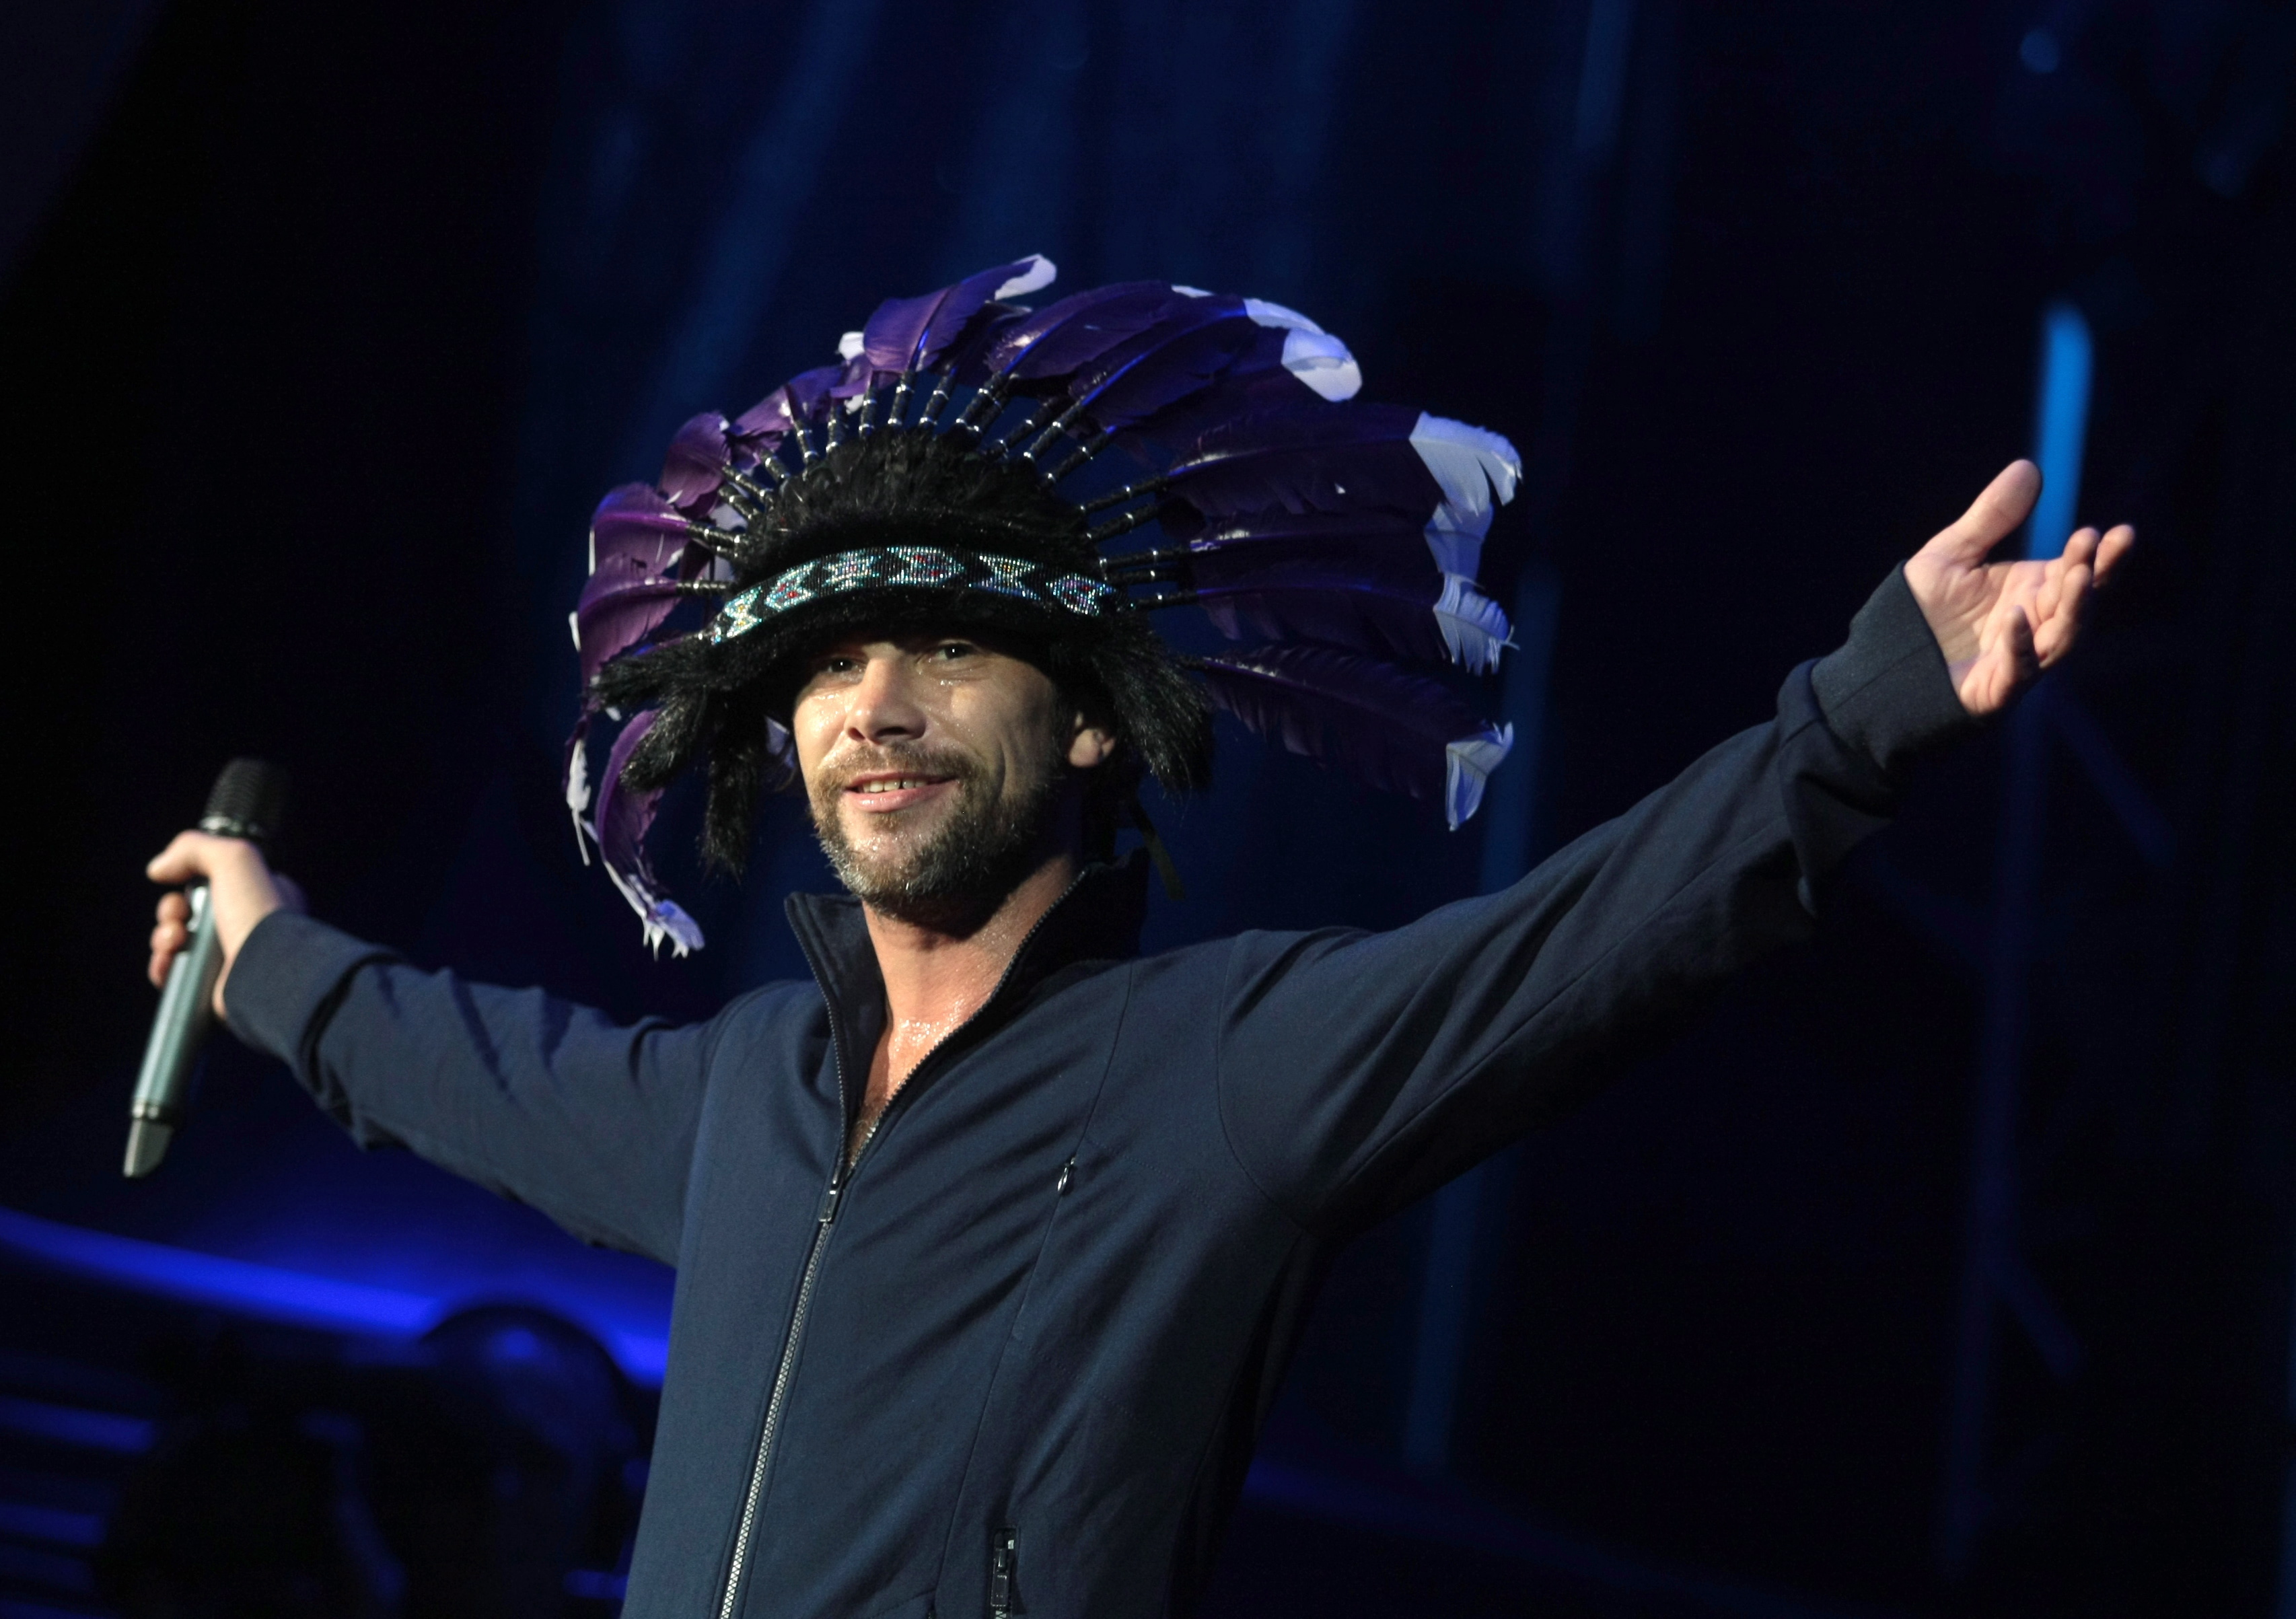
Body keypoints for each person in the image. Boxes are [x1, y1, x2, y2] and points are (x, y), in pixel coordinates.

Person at [144, 259, 2130, 1619]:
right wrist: (260, 948)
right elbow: (470, 1064)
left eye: (946, 646)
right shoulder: (742, 1094)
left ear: (1093, 719)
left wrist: (1860, 714)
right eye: (827, 665)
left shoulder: (1218, 1071)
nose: (873, 706)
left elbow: (1585, 941)